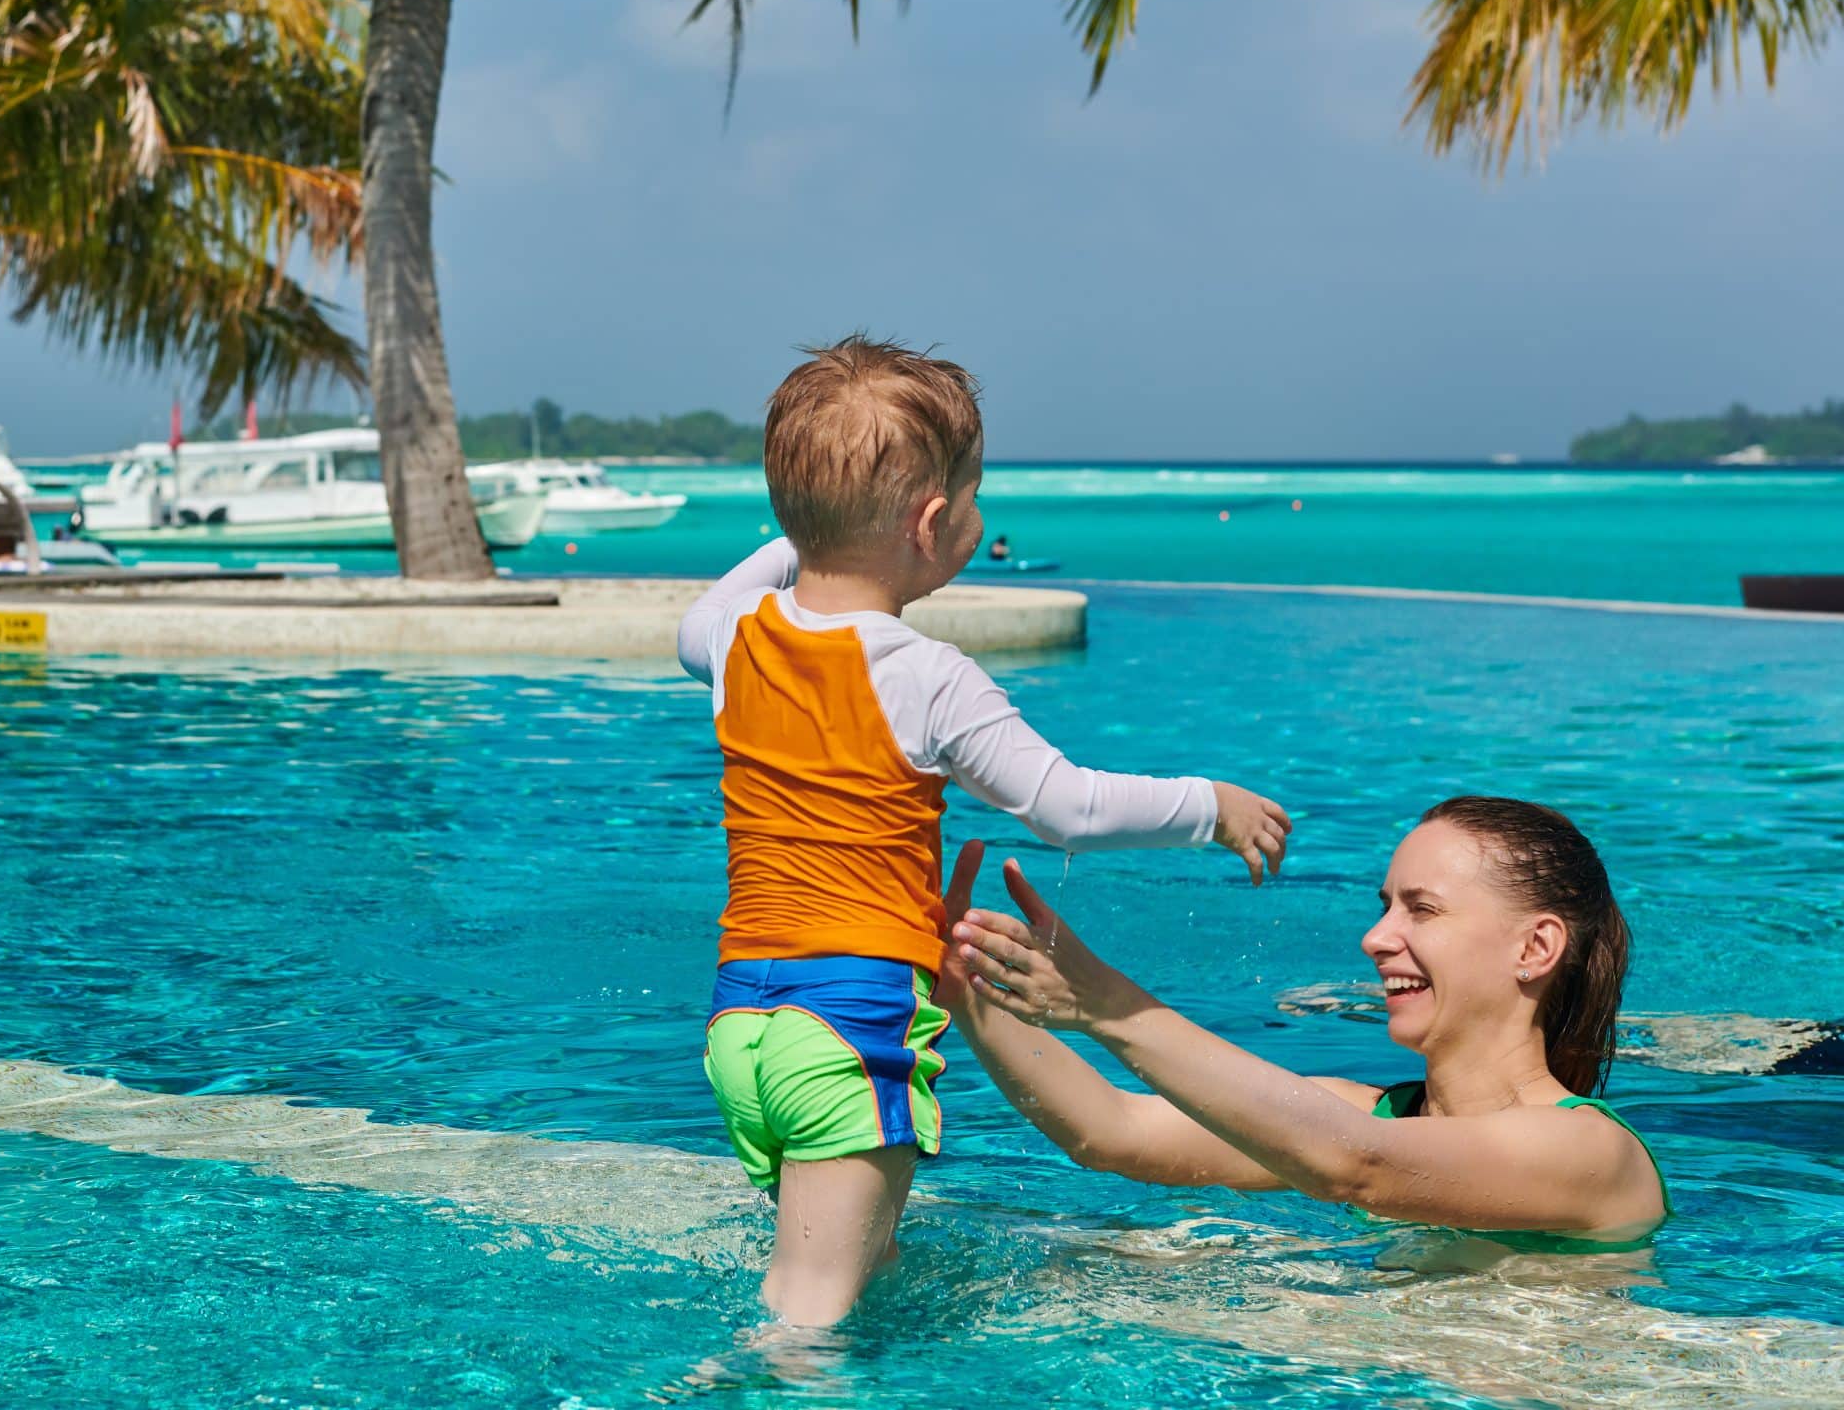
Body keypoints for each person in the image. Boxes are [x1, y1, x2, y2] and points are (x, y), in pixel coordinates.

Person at [675, 335, 1293, 1326]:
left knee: (840, 1286)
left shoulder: (731, 640)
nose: (978, 514)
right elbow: (1067, 805)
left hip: (740, 1024)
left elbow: (703, 607)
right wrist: (1208, 803)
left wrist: (808, 524)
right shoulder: (925, 673)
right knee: (805, 1323)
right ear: (929, 523)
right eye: (971, 495)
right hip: (847, 1022)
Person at [947, 795, 1669, 1244]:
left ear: (1535, 948)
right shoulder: (1369, 1114)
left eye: (1422, 909)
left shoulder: (1593, 1154)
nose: (1377, 937)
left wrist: (1104, 1004)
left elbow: (1360, 1166)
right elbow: (1111, 1131)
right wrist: (961, 979)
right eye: (1384, 905)